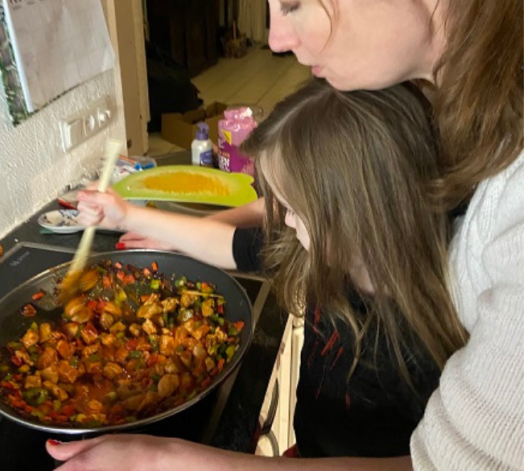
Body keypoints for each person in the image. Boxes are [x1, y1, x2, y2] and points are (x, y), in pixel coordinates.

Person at [50, 0, 524, 469]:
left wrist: (161, 460)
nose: (274, 38)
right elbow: (263, 233)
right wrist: (132, 216)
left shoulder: (496, 219)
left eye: (290, 1)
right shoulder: (400, 115)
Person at [68, 81, 462, 466]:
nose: (283, 221)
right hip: (308, 452)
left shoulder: (432, 338)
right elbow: (229, 244)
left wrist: (159, 458)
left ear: (357, 214)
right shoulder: (327, 252)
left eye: (293, 209)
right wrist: (126, 216)